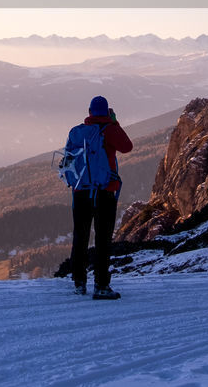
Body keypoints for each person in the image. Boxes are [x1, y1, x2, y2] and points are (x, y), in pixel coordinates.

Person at [69, 94, 132, 300]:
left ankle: (79, 283)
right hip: (104, 192)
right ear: (107, 112)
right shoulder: (110, 129)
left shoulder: (79, 132)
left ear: (89, 112)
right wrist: (114, 122)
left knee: (80, 236)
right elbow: (127, 146)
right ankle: (101, 285)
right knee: (103, 239)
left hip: (80, 191)